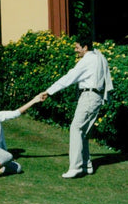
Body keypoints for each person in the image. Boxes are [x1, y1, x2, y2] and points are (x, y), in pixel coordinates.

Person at [39, 36, 113, 179]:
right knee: (83, 131)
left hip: (89, 97)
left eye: (77, 47)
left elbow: (69, 77)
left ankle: (76, 167)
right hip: (94, 97)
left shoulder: (87, 60)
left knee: (76, 128)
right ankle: (86, 165)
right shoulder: (98, 56)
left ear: (85, 47)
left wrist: (49, 91)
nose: (75, 50)